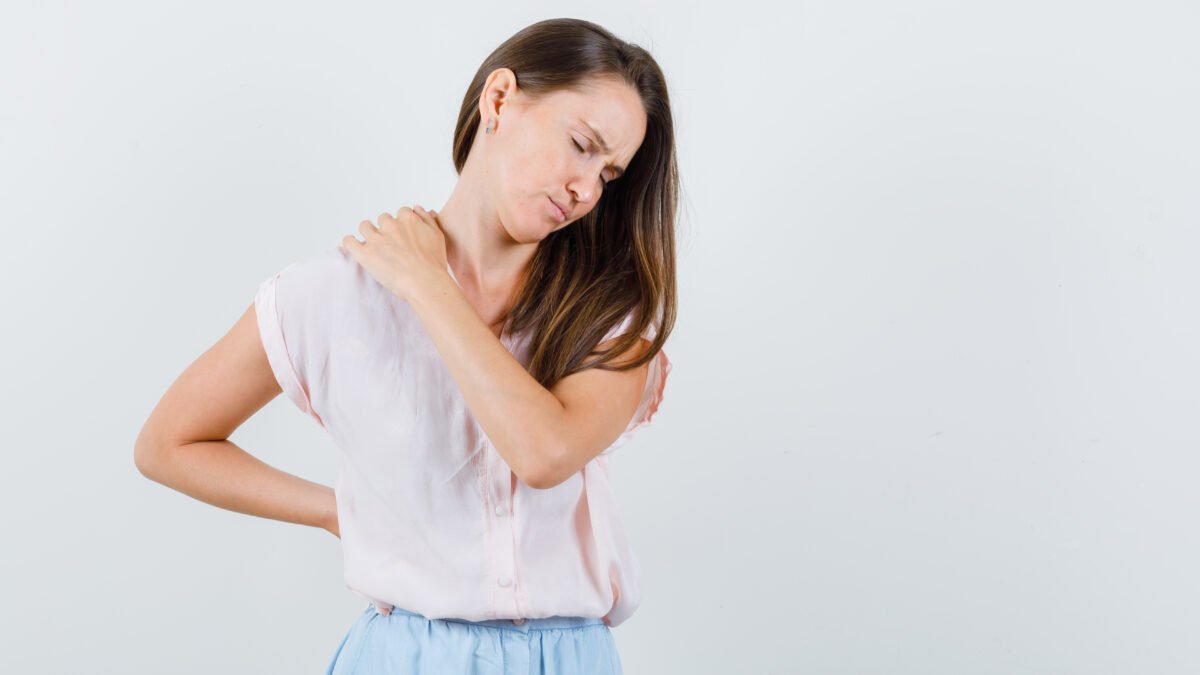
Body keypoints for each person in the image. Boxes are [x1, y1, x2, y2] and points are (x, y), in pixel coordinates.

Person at [134, 17, 677, 674]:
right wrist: (339, 513)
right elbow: (167, 444)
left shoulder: (611, 319)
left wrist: (427, 284)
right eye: (582, 145)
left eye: (610, 174)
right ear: (500, 99)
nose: (587, 188)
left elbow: (544, 451)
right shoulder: (331, 297)